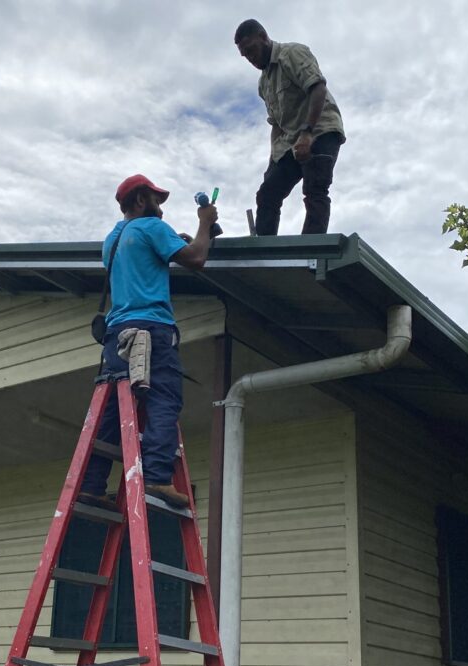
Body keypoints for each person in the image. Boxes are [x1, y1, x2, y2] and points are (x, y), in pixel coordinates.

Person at [79, 174, 219, 509]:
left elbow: (144, 261)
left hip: (116, 335)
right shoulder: (153, 228)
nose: (160, 207)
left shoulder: (112, 240)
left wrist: (175, 243)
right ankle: (157, 476)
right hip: (152, 328)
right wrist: (206, 223)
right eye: (156, 199)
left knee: (113, 410)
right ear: (141, 200)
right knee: (164, 399)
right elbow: (198, 259)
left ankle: (93, 485)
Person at [234, 19, 346, 235]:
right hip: (290, 141)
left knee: (315, 188)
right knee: (267, 193)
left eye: (251, 50)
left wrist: (307, 134)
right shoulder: (263, 83)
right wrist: (272, 161)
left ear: (264, 37)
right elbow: (276, 125)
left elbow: (318, 89)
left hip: (320, 130)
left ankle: (310, 251)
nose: (250, 58)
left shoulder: (292, 54)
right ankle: (264, 255)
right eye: (245, 55)